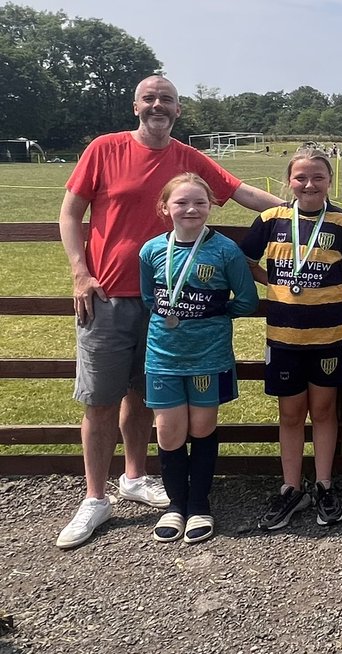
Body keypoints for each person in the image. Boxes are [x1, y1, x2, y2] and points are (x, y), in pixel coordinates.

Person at [56, 75, 279, 550]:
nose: (158, 105)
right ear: (135, 104)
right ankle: (95, 498)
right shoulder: (104, 148)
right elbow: (70, 213)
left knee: (143, 397)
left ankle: (134, 477)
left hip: (169, 312)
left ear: (178, 110)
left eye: (168, 99)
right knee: (99, 400)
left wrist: (305, 211)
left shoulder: (188, 158)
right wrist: (80, 272)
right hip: (110, 296)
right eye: (150, 98)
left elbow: (243, 195)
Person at [241, 146, 342, 530]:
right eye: (301, 178)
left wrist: (339, 314)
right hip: (283, 336)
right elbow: (246, 262)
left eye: (318, 177)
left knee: (325, 411)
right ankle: (291, 488)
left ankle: (324, 485)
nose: (309, 184)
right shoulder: (270, 218)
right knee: (291, 414)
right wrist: (276, 284)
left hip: (328, 335)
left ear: (330, 181)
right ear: (289, 181)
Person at [138, 174, 258, 544]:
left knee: (202, 428)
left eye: (199, 203)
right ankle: (177, 505)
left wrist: (214, 312)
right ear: (165, 208)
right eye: (181, 203)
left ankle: (199, 504)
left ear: (211, 206)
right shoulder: (151, 250)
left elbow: (248, 300)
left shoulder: (225, 250)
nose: (191, 209)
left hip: (210, 355)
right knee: (169, 431)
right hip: (163, 355)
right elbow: (148, 298)